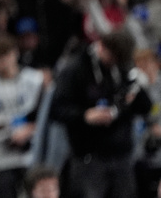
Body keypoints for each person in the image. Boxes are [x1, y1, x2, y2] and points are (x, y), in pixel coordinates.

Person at [50, 30, 152, 198]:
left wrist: (135, 96)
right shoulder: (75, 69)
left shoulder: (123, 67)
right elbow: (56, 110)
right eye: (112, 58)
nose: (114, 63)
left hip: (122, 155)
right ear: (102, 48)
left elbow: (145, 108)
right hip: (89, 157)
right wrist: (85, 115)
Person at [0, 35, 45, 198]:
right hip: (0, 157)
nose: (2, 62)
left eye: (6, 56)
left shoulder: (34, 80)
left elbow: (45, 117)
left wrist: (29, 129)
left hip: (30, 154)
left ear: (15, 54)